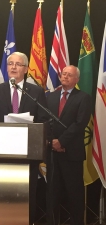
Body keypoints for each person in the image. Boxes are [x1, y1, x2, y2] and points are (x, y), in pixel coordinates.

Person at [0, 52, 48, 224]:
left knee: (27, 195)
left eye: (17, 64)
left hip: (28, 153)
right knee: (2, 194)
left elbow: (43, 119)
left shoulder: (35, 91)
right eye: (10, 63)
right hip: (1, 152)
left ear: (26, 68)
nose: (13, 67)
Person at [46, 65, 91, 225]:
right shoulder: (50, 97)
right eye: (63, 74)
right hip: (52, 153)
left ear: (76, 79)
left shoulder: (83, 98)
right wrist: (52, 141)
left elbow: (80, 124)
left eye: (69, 75)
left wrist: (62, 141)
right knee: (52, 192)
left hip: (71, 153)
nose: (65, 77)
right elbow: (45, 121)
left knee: (74, 193)